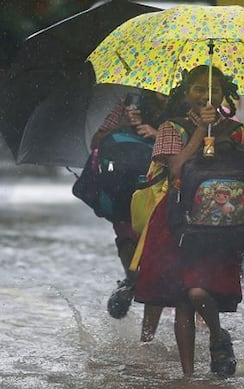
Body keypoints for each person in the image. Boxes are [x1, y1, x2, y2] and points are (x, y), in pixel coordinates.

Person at [133, 65, 244, 377]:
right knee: (181, 298)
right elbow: (175, 170)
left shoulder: (237, 131)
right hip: (176, 224)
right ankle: (188, 377)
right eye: (198, 88)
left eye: (213, 89)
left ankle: (217, 335)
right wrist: (201, 131)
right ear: (186, 93)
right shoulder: (171, 128)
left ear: (224, 94)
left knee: (199, 292)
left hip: (221, 225)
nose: (205, 95)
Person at [92, 89, 169, 342]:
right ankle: (132, 282)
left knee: (156, 257)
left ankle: (146, 333)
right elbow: (97, 142)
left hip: (163, 191)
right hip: (125, 192)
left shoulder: (187, 109)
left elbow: (195, 150)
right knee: (128, 243)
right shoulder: (127, 102)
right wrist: (125, 125)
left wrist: (159, 137)